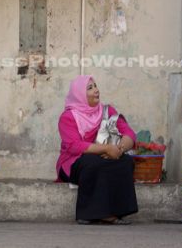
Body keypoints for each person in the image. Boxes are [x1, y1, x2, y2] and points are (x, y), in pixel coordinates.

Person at [56, 75, 138, 225]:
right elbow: (74, 146)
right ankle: (92, 214)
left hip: (106, 154)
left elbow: (129, 133)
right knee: (93, 162)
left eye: (95, 86)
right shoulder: (68, 117)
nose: (96, 90)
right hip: (73, 161)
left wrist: (119, 149)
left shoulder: (107, 111)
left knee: (125, 161)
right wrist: (106, 148)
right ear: (79, 95)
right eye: (90, 88)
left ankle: (118, 211)